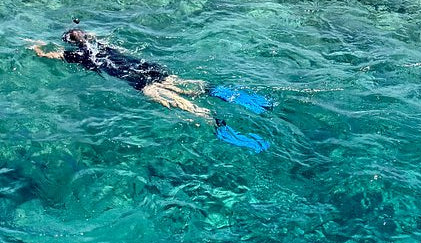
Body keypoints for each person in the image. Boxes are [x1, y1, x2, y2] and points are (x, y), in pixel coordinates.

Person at [27, 27, 271, 152]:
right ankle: (234, 96)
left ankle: (222, 128)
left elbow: (46, 53)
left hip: (142, 84)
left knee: (191, 109)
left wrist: (31, 44)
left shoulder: (81, 58)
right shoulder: (104, 46)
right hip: (152, 70)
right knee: (190, 86)